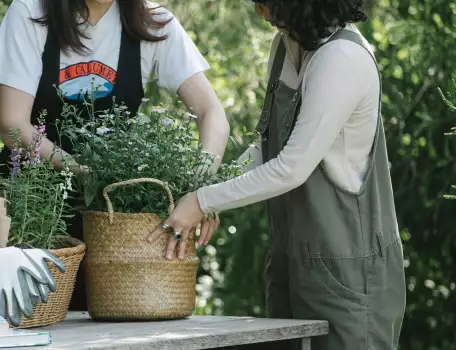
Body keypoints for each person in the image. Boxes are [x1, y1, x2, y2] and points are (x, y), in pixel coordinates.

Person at [149, 1, 407, 349]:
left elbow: (291, 169)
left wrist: (201, 200)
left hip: (349, 275)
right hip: (290, 262)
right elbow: (267, 146)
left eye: (268, 3)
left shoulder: (343, 58)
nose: (261, 13)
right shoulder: (287, 46)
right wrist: (212, 194)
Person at [0, 0, 229, 311]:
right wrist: (87, 173)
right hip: (33, 207)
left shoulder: (152, 22)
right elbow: (13, 125)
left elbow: (212, 113)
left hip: (110, 215)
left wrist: (200, 190)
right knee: (32, 319)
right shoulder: (31, 12)